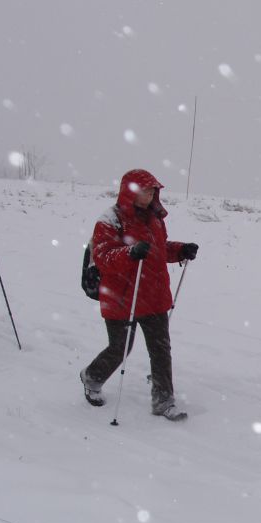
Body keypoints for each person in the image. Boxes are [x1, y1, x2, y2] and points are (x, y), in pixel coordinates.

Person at [79, 169, 199, 419]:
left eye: (153, 190)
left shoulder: (154, 218)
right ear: (131, 191)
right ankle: (92, 377)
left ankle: (163, 401)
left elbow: (157, 251)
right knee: (120, 348)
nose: (151, 194)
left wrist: (180, 250)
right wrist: (129, 253)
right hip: (122, 296)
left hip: (153, 294)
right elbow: (103, 256)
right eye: (146, 189)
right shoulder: (110, 219)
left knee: (161, 349)